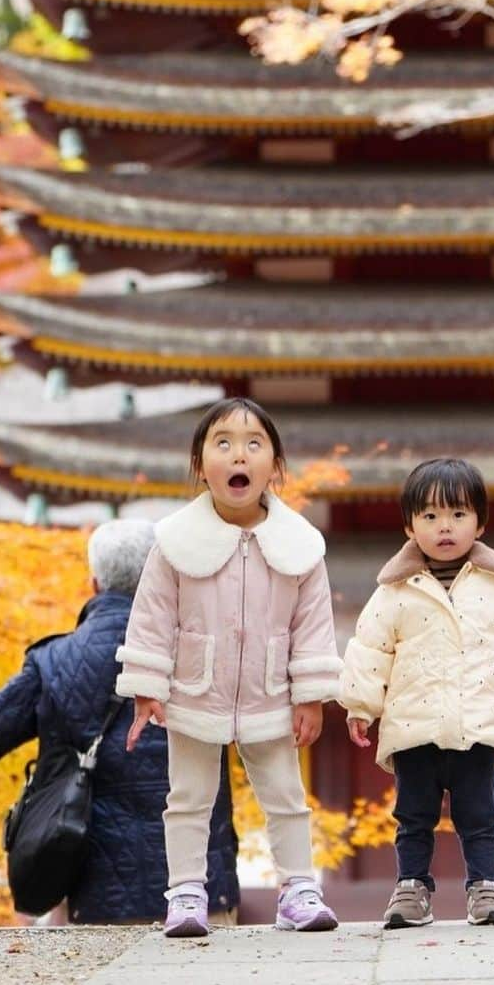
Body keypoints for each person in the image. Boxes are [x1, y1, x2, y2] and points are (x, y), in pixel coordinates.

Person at [118, 396, 342, 938]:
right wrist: (148, 688)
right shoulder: (173, 542)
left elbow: (313, 624)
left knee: (286, 796)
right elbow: (151, 616)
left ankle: (298, 888)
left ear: (274, 467)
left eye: (253, 444)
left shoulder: (301, 547)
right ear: (201, 466)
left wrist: (309, 694)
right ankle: (187, 893)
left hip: (270, 691)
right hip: (195, 688)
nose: (238, 454)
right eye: (222, 443)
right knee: (188, 798)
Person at [0, 519, 240, 925]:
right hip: (203, 891)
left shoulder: (54, 661)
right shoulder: (205, 654)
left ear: (94, 583)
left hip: (94, 897)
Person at [339, 457, 494, 929]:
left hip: (479, 720)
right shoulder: (395, 589)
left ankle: (485, 887)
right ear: (409, 526)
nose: (444, 527)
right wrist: (360, 704)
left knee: (479, 814)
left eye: (458, 514)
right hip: (414, 723)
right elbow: (372, 646)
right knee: (412, 815)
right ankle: (412, 888)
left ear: (480, 522)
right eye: (430, 516)